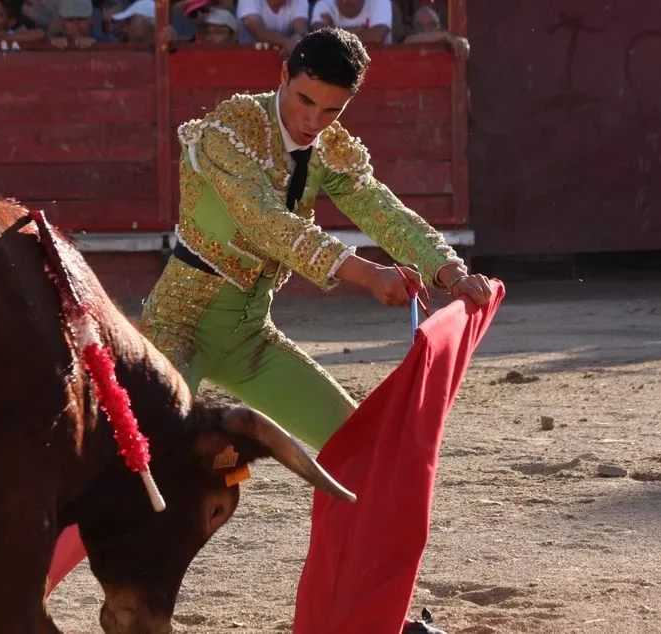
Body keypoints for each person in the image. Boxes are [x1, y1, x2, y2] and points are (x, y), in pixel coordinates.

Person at [137, 27, 491, 633]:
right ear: (283, 75)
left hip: (249, 339)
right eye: (305, 100)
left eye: (331, 110)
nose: (313, 122)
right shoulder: (230, 130)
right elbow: (265, 222)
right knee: (135, 473)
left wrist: (447, 267)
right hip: (178, 331)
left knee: (362, 459)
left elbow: (379, 207)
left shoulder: (329, 148)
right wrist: (363, 272)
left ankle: (372, 619)